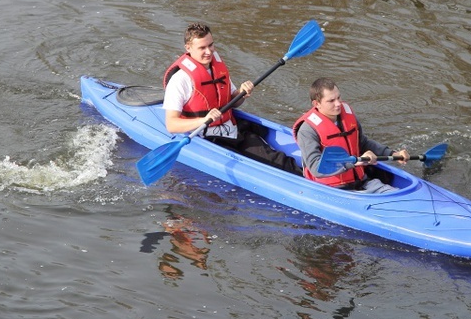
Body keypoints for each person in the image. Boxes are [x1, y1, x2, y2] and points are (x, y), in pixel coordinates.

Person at [163, 22, 300, 174]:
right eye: (202, 48)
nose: (208, 52)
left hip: (232, 129)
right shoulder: (180, 79)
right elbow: (172, 124)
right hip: (206, 138)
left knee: (275, 159)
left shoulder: (217, 68)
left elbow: (234, 102)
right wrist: (203, 120)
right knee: (251, 167)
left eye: (211, 45)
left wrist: (242, 93)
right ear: (188, 48)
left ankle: (311, 176)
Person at [293, 77, 410, 193]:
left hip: (360, 180)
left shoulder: (347, 116)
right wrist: (353, 162)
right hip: (332, 189)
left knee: (396, 194)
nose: (338, 104)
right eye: (331, 101)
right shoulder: (307, 130)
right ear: (316, 103)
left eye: (338, 97)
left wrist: (393, 153)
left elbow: (362, 143)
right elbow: (316, 168)